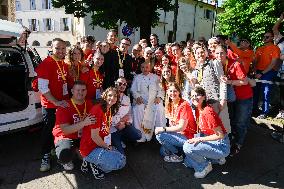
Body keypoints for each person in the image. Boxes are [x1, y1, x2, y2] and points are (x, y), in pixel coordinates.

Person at [36, 38, 69, 172]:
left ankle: (58, 152)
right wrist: (56, 102)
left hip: (62, 104)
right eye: (57, 48)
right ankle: (45, 156)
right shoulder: (47, 63)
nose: (60, 51)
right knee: (48, 131)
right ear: (52, 48)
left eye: (63, 48)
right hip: (51, 105)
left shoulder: (63, 63)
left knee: (60, 131)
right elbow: (43, 87)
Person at [183, 86, 230, 179]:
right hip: (212, 141)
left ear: (204, 97)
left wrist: (199, 139)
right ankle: (216, 159)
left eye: (197, 95)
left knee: (188, 147)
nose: (194, 97)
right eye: (192, 96)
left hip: (221, 145)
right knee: (187, 161)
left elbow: (219, 135)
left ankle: (204, 167)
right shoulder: (199, 109)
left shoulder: (207, 112)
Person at [80, 87, 126, 179]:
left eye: (115, 96)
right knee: (120, 161)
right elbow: (95, 137)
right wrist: (107, 147)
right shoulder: (98, 109)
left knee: (121, 156)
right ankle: (93, 163)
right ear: (104, 96)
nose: (112, 98)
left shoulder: (108, 109)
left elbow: (105, 131)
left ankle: (91, 162)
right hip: (90, 148)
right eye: (110, 95)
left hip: (99, 145)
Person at [215, 46, 253, 156]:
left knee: (240, 122)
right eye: (217, 53)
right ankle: (232, 140)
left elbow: (245, 82)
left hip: (243, 97)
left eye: (222, 53)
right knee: (231, 120)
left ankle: (238, 143)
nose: (219, 56)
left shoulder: (235, 64)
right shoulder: (217, 64)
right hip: (231, 98)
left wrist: (229, 81)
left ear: (226, 54)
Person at [52, 80, 95, 170]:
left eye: (83, 90)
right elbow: (65, 130)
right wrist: (84, 123)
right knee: (64, 155)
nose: (80, 92)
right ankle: (64, 153)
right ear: (72, 91)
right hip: (66, 136)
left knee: (89, 157)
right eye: (77, 90)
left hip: (82, 136)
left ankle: (76, 150)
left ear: (86, 91)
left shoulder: (89, 104)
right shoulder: (64, 106)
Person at [155, 82, 197, 162]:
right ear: (167, 92)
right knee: (163, 151)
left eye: (175, 91)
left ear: (179, 92)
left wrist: (163, 129)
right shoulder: (171, 104)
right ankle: (181, 151)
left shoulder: (184, 104)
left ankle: (179, 155)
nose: (172, 93)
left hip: (188, 137)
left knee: (160, 136)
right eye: (170, 91)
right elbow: (172, 124)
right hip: (178, 135)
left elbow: (181, 127)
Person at [194, 45, 231, 134]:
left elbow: (222, 82)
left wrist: (223, 100)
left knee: (221, 128)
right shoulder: (197, 68)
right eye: (197, 53)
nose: (200, 55)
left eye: (202, 52)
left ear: (207, 53)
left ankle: (224, 146)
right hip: (205, 102)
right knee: (210, 128)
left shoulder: (214, 63)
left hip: (216, 101)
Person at [131, 62, 166, 142]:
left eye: (147, 67)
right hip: (142, 100)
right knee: (137, 109)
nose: (145, 69)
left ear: (149, 68)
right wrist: (137, 97)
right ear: (141, 68)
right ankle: (139, 135)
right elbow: (133, 90)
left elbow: (161, 89)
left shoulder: (156, 77)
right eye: (143, 67)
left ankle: (160, 134)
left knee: (159, 108)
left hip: (154, 100)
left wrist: (159, 97)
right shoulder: (137, 77)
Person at [253, 31, 281, 118]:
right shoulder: (259, 48)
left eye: (267, 37)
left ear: (272, 38)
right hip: (258, 72)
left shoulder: (275, 48)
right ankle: (254, 110)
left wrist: (261, 73)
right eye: (264, 37)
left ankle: (264, 112)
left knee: (266, 91)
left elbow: (273, 64)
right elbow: (254, 61)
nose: (264, 38)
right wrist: (254, 71)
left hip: (269, 72)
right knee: (255, 91)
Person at [111, 77, 142, 154]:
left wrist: (125, 122)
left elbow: (129, 113)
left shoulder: (127, 98)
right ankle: (115, 141)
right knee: (121, 154)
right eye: (120, 84)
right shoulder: (111, 97)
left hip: (124, 125)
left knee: (138, 135)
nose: (122, 86)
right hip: (112, 128)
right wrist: (119, 121)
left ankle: (122, 138)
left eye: (124, 84)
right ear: (116, 84)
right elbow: (108, 116)